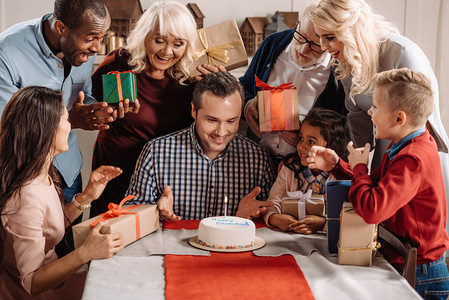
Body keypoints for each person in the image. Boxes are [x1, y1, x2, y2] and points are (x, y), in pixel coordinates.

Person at [307, 68, 449, 299]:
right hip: (406, 263)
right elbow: (373, 188)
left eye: (376, 107)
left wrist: (360, 166)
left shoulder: (412, 159)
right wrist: (337, 166)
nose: (370, 113)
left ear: (399, 118)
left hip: (421, 273)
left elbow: (372, 209)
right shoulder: (404, 145)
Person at [90, 1, 224, 217]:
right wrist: (104, 110)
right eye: (159, 40)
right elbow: (84, 105)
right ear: (145, 36)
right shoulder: (120, 62)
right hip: (115, 173)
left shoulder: (192, 78)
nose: (167, 51)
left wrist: (217, 86)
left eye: (178, 44)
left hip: (167, 178)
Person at [310, 0, 449, 205]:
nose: (323, 47)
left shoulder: (402, 53)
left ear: (353, 31)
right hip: (384, 163)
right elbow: (359, 127)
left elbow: (420, 129)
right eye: (319, 38)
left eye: (329, 37)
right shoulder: (347, 62)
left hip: (417, 167)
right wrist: (348, 170)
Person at [0, 86, 125, 299]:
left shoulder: (42, 174)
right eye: (66, 120)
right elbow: (31, 282)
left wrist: (87, 196)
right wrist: (85, 253)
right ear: (46, 129)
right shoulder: (25, 197)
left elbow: (47, 228)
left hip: (57, 279)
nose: (70, 127)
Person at [0, 0, 130, 204]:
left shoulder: (82, 52)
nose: (97, 47)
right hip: (24, 180)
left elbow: (82, 94)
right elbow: (7, 126)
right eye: (90, 38)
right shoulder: (6, 52)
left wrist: (96, 111)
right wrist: (71, 120)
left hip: (69, 173)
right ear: (61, 28)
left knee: (70, 235)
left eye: (102, 37)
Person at [125, 72, 276, 220]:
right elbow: (131, 213)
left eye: (231, 121)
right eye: (211, 120)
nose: (221, 132)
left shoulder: (258, 158)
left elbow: (271, 217)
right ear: (193, 110)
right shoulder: (156, 152)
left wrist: (247, 218)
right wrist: (157, 215)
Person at [240, 4, 346, 166]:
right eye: (300, 36)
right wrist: (247, 103)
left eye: (315, 45)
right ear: (297, 24)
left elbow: (343, 131)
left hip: (304, 169)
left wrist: (307, 137)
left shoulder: (340, 71)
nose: (303, 49)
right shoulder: (272, 44)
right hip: (255, 158)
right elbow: (244, 87)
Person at [264, 108, 351, 234]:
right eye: (300, 138)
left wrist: (324, 224)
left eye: (311, 142)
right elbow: (272, 203)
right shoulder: (290, 169)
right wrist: (274, 218)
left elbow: (349, 217)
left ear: (332, 146)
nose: (301, 146)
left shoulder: (343, 177)